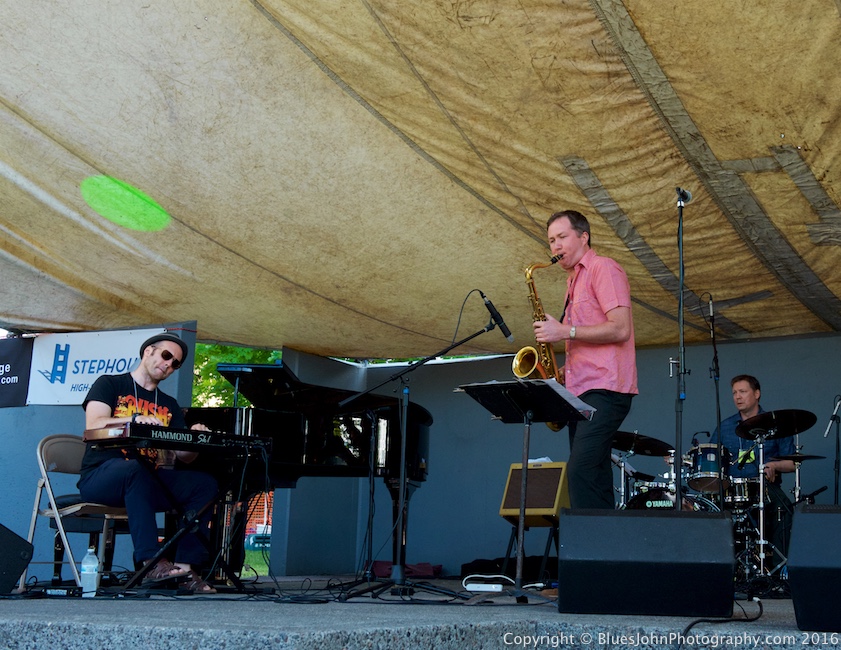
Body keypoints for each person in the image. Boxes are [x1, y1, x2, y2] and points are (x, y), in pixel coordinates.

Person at [78, 333, 219, 593]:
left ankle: (185, 570)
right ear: (148, 352)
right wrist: (134, 419)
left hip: (145, 482)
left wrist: (196, 440)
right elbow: (94, 423)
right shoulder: (110, 384)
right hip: (101, 476)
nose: (169, 365)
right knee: (136, 468)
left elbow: (183, 457)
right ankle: (151, 562)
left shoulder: (169, 405)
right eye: (166, 356)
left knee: (204, 484)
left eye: (175, 363)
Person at [534, 209, 638, 509]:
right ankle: (605, 551)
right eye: (551, 240)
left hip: (605, 389)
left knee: (580, 471)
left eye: (562, 237)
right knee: (594, 476)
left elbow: (620, 328)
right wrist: (568, 368)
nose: (555, 246)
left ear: (583, 236)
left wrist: (564, 330)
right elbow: (590, 336)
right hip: (582, 390)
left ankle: (591, 549)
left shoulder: (603, 268)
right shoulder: (572, 282)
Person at [712, 374, 795, 564]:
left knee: (784, 509)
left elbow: (791, 464)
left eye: (743, 391)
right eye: (734, 393)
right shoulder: (724, 428)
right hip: (732, 490)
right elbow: (713, 460)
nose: (737, 397)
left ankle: (779, 571)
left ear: (757, 394)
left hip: (765, 487)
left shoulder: (776, 424)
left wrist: (773, 465)